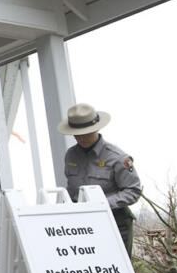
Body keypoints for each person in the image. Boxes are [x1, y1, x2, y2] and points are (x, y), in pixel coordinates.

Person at [57, 102, 142, 256]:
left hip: (115, 222)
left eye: (86, 132)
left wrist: (101, 204)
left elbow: (133, 191)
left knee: (117, 271)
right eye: (77, 133)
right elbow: (71, 190)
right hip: (82, 224)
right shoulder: (71, 155)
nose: (81, 137)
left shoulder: (117, 157)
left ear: (96, 128)